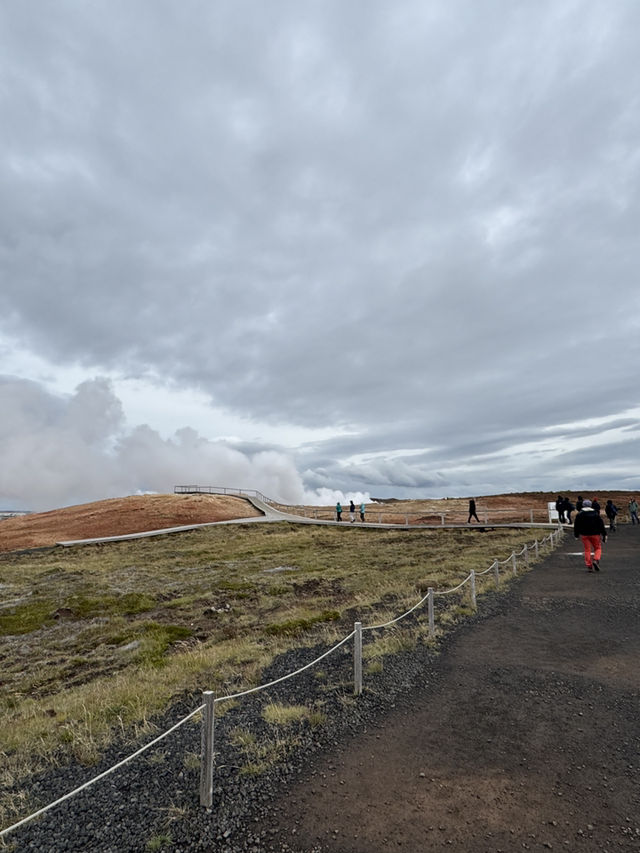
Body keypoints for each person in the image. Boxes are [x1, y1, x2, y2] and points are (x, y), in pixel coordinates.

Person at [574, 499, 607, 572]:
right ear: (590, 505)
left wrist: (576, 535)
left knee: (587, 550)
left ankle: (589, 565)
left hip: (584, 534)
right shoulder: (595, 513)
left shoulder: (579, 514)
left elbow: (576, 525)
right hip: (595, 534)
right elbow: (601, 524)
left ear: (583, 505)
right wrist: (604, 533)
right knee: (598, 548)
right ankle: (596, 559)